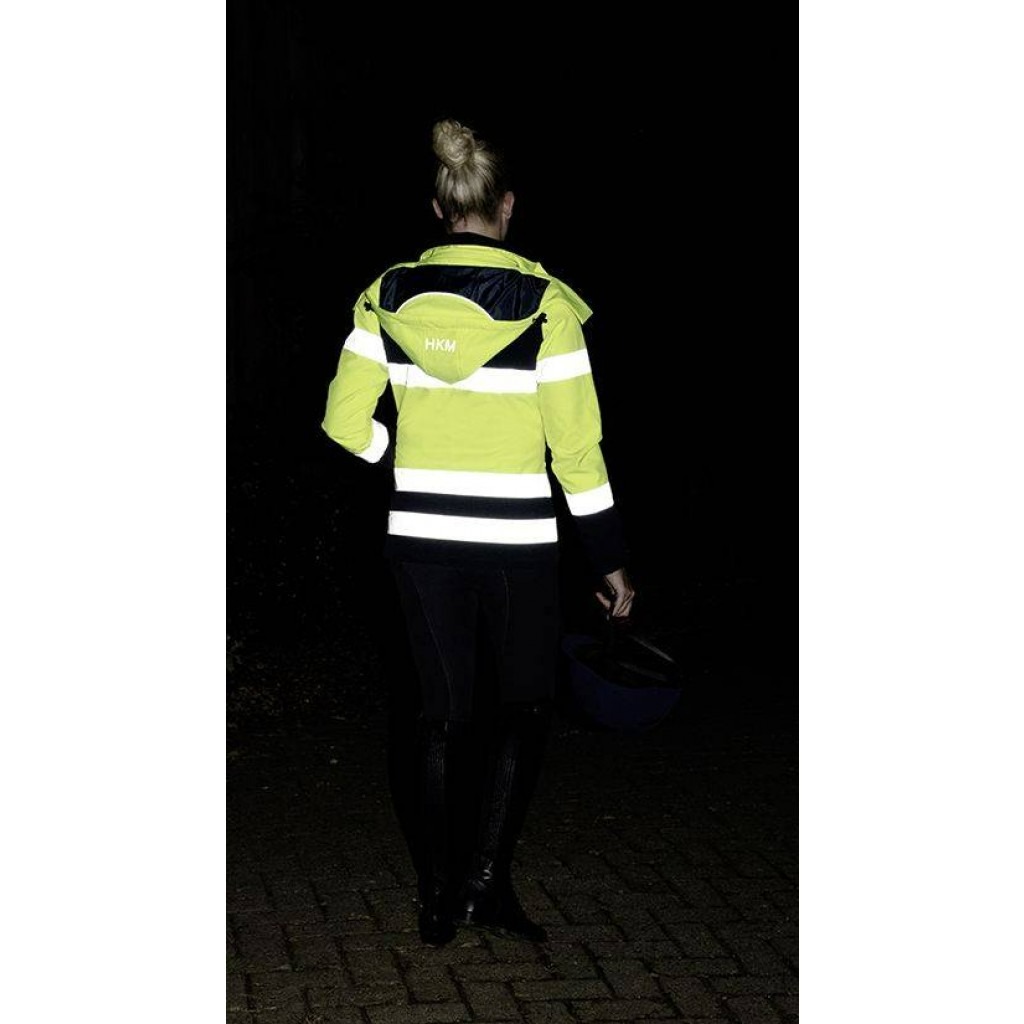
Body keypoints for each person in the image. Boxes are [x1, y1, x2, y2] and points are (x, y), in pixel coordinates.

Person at [321, 118, 635, 946]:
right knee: (522, 708)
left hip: (419, 542)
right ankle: (484, 886)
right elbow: (576, 450)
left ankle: (436, 899)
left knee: (438, 714)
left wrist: (398, 456)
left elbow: (343, 422)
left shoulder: (385, 297)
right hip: (518, 546)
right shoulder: (547, 306)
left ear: (438, 207)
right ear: (506, 205)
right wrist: (607, 558)